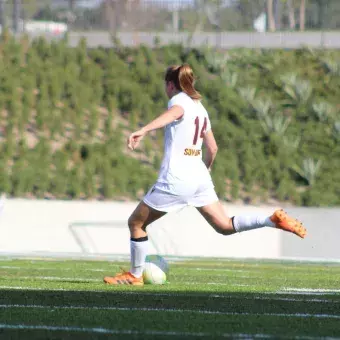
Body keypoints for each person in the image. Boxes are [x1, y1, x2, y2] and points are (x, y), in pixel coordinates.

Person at [104, 64, 307, 286]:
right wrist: (205, 169)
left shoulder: (178, 101)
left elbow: (173, 114)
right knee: (224, 225)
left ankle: (134, 276)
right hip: (199, 177)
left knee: (136, 223)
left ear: (170, 85)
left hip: (176, 179)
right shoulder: (200, 108)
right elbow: (213, 148)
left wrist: (143, 130)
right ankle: (270, 220)